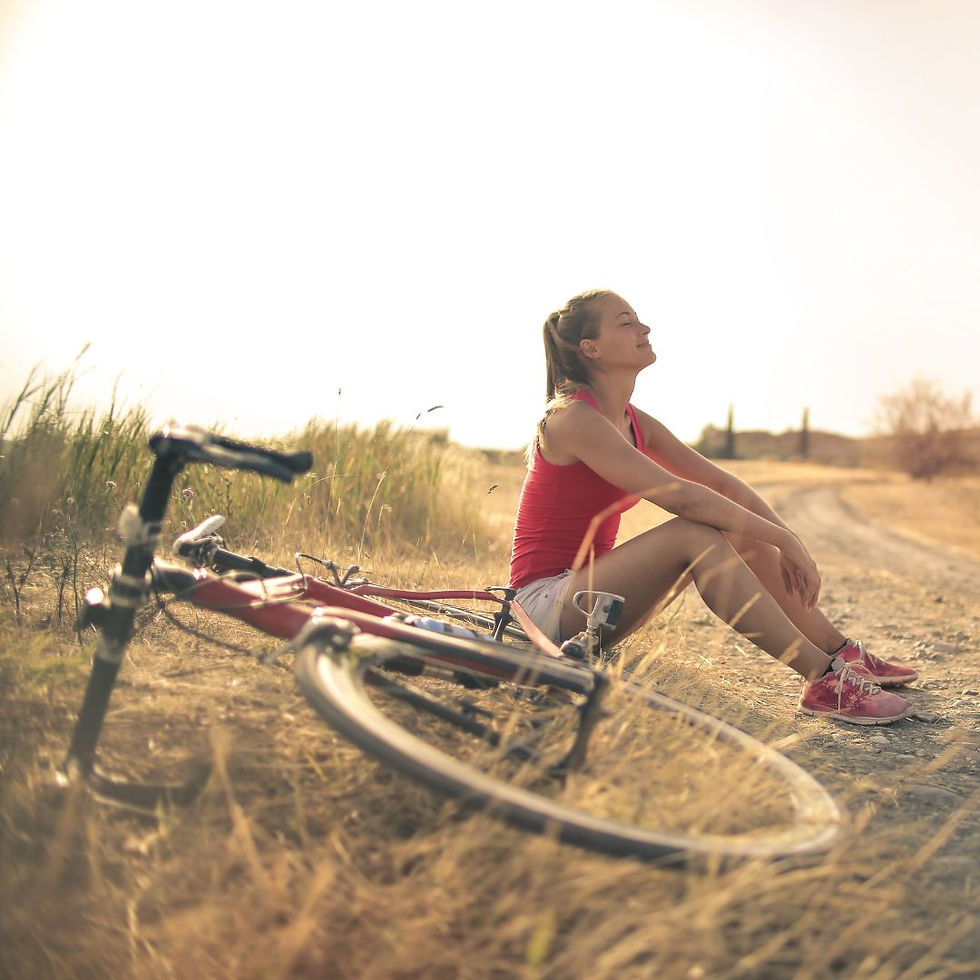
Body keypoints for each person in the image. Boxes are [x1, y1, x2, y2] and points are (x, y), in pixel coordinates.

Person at [508, 289, 917, 725]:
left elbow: (720, 482)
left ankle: (841, 654)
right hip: (541, 608)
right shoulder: (572, 418)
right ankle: (823, 679)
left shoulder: (632, 420)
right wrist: (781, 538)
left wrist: (786, 540)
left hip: (594, 605)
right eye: (625, 322)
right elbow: (680, 495)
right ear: (591, 348)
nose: (643, 328)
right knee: (695, 532)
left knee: (738, 525)